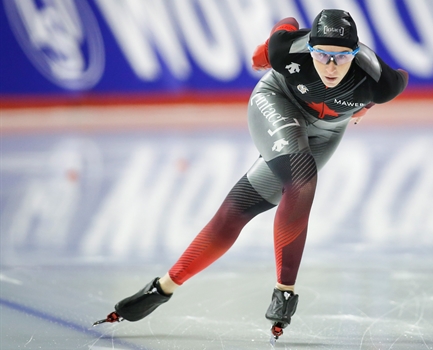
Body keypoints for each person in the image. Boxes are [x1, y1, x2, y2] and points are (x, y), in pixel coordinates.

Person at [94, 9, 409, 340]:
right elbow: (285, 23)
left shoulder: (379, 82)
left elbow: (401, 77)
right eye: (322, 55)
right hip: (278, 101)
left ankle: (162, 287)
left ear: (355, 54)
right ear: (310, 49)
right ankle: (284, 291)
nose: (331, 67)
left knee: (239, 209)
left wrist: (368, 104)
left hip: (327, 133)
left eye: (342, 57)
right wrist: (263, 51)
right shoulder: (286, 51)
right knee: (302, 180)